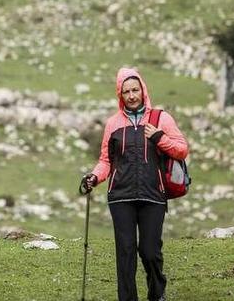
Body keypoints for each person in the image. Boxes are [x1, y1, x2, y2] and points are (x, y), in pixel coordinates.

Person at [81, 67, 188, 301]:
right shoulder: (113, 124)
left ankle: (157, 292)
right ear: (120, 95)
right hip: (121, 196)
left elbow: (182, 150)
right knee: (126, 251)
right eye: (126, 91)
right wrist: (94, 177)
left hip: (153, 196)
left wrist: (160, 137)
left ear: (143, 90)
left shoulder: (161, 119)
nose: (131, 96)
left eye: (135, 90)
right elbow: (105, 161)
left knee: (150, 252)